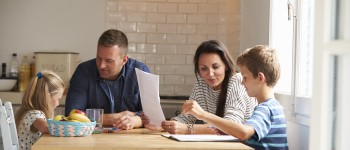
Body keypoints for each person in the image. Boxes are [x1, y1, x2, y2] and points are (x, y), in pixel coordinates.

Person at [182, 45, 289, 150]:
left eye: (245, 78)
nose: (242, 82)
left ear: (260, 78)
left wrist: (203, 114)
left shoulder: (267, 109)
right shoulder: (272, 107)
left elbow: (243, 132)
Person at [142, 40, 257, 134]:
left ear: (226, 66)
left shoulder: (236, 81)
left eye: (215, 67)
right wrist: (164, 125)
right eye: (204, 68)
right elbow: (186, 117)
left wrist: (187, 129)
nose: (210, 74)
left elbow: (231, 126)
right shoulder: (201, 84)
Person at [65, 29, 150, 130]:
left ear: (124, 60)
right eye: (99, 58)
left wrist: (136, 120)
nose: (101, 65)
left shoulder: (141, 72)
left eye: (109, 61)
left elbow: (152, 115)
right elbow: (71, 114)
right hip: (91, 139)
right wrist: (112, 119)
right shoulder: (83, 71)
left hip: (131, 139)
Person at [15, 70, 65, 150]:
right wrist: (69, 126)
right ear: (47, 97)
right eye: (58, 98)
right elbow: (48, 128)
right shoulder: (34, 114)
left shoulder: (29, 111)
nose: (58, 103)